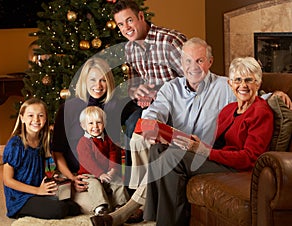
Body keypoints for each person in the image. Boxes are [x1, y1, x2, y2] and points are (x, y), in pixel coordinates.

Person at [90, 37, 292, 226]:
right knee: (156, 150)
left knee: (170, 159)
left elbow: (257, 108)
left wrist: (276, 95)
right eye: (188, 61)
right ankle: (150, 215)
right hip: (198, 148)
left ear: (210, 62)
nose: (193, 67)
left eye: (199, 60)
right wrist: (152, 127)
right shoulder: (225, 106)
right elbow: (155, 110)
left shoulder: (229, 92)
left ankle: (150, 215)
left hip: (221, 158)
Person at [143, 56, 275, 226]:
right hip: (221, 158)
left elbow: (249, 158)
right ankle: (152, 218)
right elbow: (217, 145)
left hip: (238, 166)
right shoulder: (228, 110)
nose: (243, 85)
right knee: (158, 149)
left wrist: (203, 150)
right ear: (230, 84)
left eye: (249, 80)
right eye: (238, 80)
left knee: (173, 158)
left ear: (258, 83)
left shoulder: (261, 112)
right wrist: (195, 144)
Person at [112, 0, 187, 186]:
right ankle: (130, 187)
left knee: (133, 125)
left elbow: (193, 80)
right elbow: (133, 83)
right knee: (120, 117)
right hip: (148, 104)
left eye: (129, 21)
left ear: (141, 16)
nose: (126, 28)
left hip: (176, 104)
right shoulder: (130, 48)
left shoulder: (169, 41)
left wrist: (160, 93)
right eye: (120, 24)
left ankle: (139, 192)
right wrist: (137, 91)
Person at [2, 98, 81, 219]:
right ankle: (22, 211)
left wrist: (52, 176)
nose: (36, 120)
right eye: (30, 115)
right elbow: (7, 180)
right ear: (22, 118)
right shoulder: (15, 145)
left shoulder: (44, 141)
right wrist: (38, 190)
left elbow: (48, 165)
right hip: (21, 197)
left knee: (74, 207)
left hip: (39, 190)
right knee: (59, 209)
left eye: (40, 115)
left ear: (46, 119)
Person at [51, 57, 119, 193]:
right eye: (93, 80)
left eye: (103, 80)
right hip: (78, 175)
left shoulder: (113, 107)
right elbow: (57, 151)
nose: (98, 85)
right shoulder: (68, 108)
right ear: (85, 81)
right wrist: (72, 178)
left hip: (107, 174)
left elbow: (114, 147)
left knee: (120, 195)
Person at [74, 106, 129, 215]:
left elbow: (114, 155)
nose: (95, 126)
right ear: (83, 126)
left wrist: (112, 170)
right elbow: (88, 162)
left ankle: (121, 205)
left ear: (104, 123)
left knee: (118, 182)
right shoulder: (83, 142)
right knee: (94, 185)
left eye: (99, 122)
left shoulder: (108, 140)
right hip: (90, 174)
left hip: (107, 173)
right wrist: (100, 174)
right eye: (90, 123)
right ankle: (100, 207)